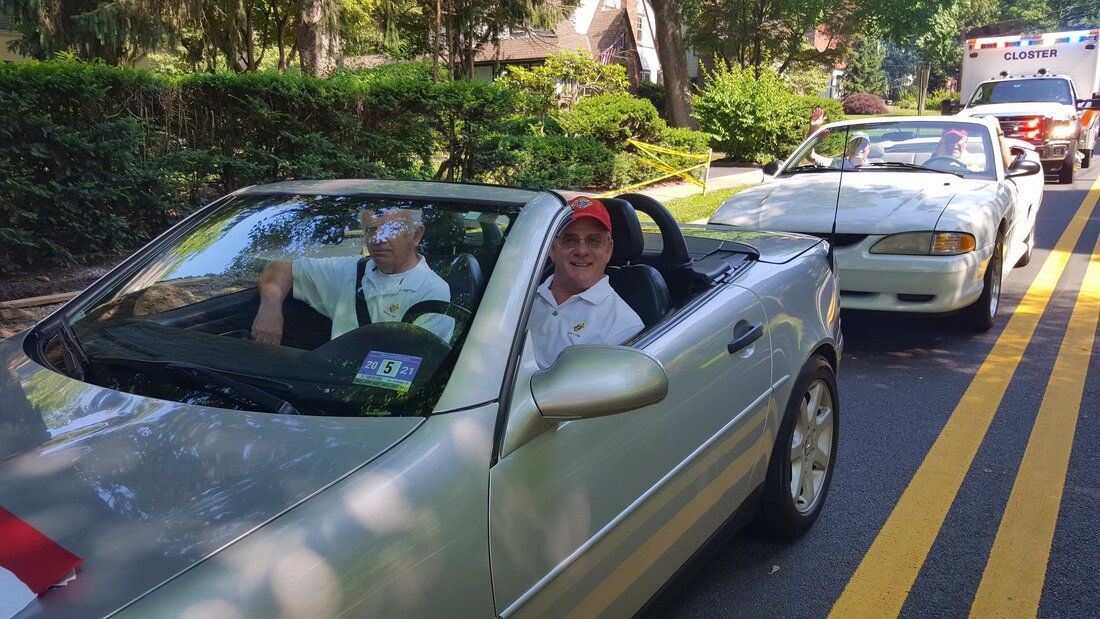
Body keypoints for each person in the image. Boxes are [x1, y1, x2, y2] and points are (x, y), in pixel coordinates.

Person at [251, 207, 454, 345]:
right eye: (371, 230)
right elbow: (278, 268)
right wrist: (270, 310)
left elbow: (416, 363)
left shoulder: (432, 290)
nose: (377, 239)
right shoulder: (348, 270)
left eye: (391, 229)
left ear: (416, 235)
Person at [528, 196, 645, 368]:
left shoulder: (623, 326)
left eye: (594, 240)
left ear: (608, 250)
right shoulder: (523, 298)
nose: (582, 250)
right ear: (552, 248)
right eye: (570, 240)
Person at [804, 108, 877, 169]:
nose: (858, 147)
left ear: (868, 149)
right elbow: (810, 156)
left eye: (863, 144)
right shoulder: (836, 164)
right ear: (848, 148)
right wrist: (813, 128)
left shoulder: (876, 169)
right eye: (854, 143)